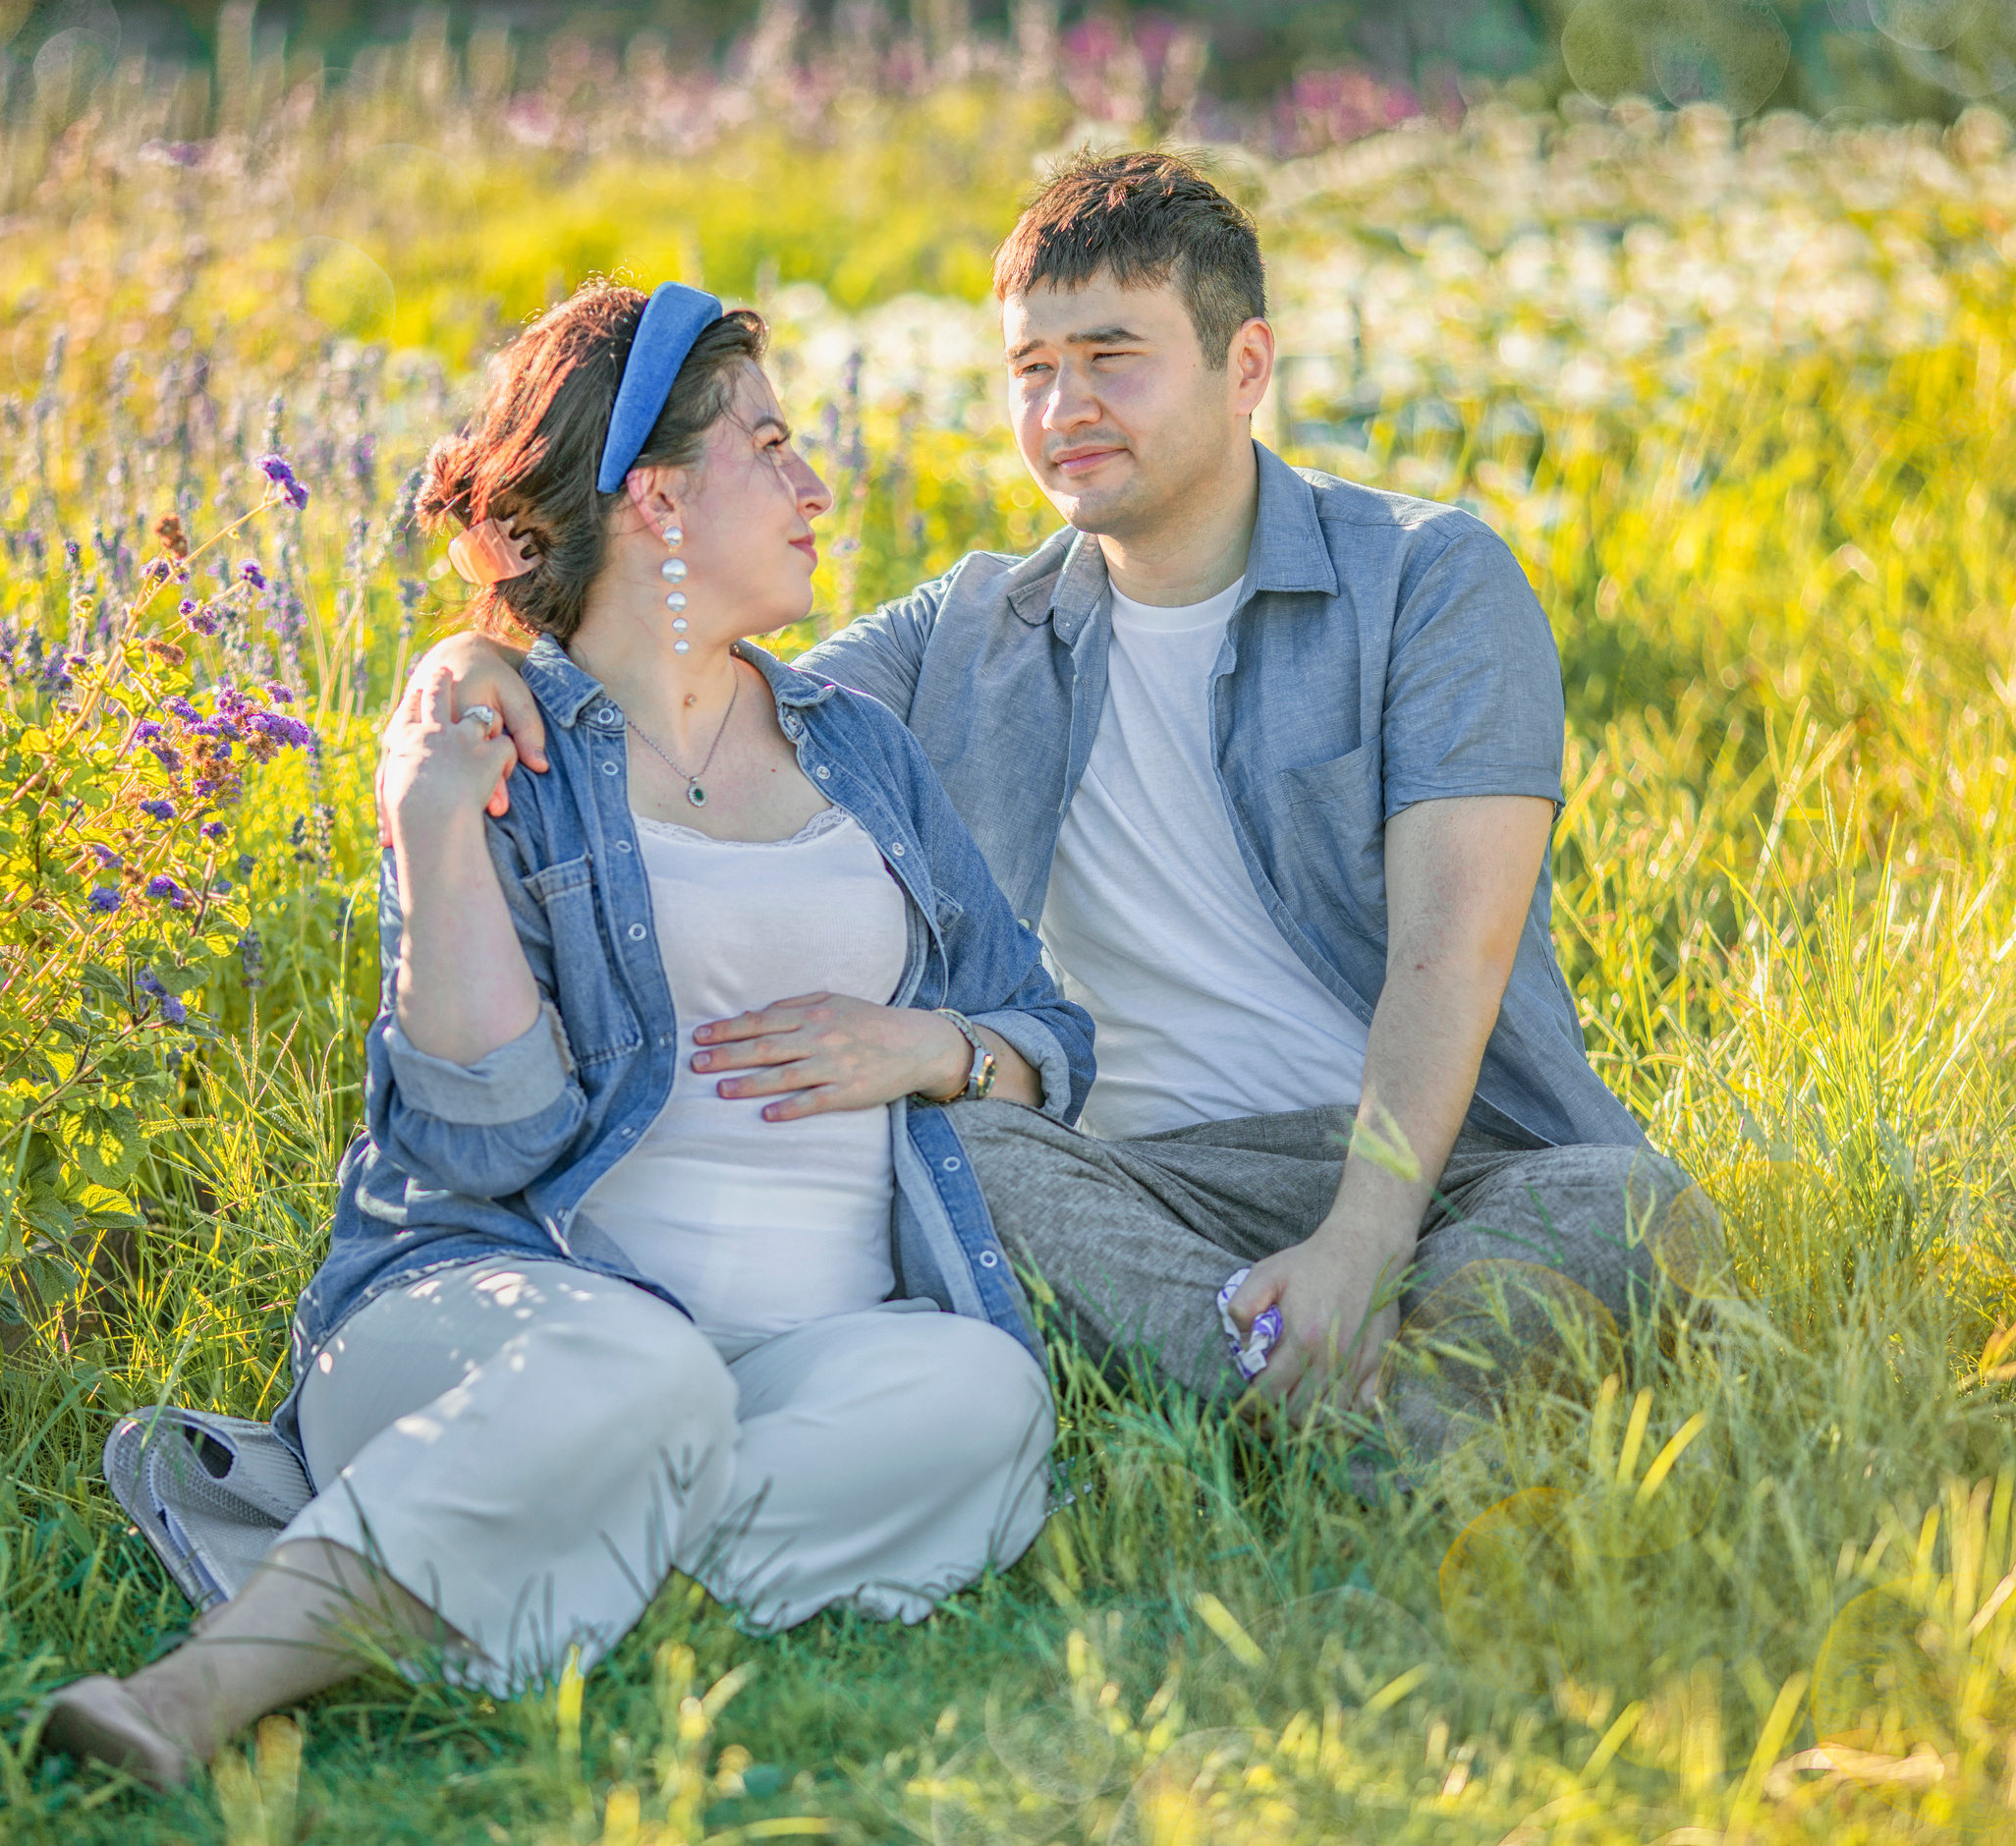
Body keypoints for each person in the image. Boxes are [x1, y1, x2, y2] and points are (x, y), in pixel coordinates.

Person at [416, 152, 1728, 1463]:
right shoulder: (968, 628)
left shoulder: (1429, 580)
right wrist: (478, 655)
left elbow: (1457, 953)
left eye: (1113, 357)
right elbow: (685, 691)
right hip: (1140, 1192)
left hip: (1448, 1168)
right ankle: (1379, 1430)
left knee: (1624, 1204)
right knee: (964, 1154)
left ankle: (1316, 1413)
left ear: (1247, 366)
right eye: (1032, 369)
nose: (1065, 407)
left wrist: (1364, 1234)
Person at [44, 281, 1094, 1788]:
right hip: (503, 1316)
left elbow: (1043, 1028)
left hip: (801, 1360)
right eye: (774, 448)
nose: (815, 486)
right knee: (638, 1375)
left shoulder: (856, 745)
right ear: (658, 498)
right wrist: (430, 831)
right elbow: (483, 1138)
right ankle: (206, 1686)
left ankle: (519, 1578)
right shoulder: (500, 742)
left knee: (983, 1393)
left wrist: (926, 1046)